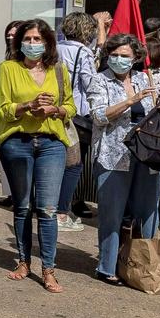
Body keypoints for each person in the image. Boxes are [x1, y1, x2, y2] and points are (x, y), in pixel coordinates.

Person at [0, 21, 77, 291]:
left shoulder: (59, 70)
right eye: (28, 39)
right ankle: (22, 261)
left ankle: (49, 269)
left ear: (48, 43)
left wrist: (54, 110)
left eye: (37, 39)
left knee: (48, 209)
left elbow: (71, 107)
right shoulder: (8, 68)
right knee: (22, 206)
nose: (32, 44)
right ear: (19, 42)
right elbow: (4, 108)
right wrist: (28, 106)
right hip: (17, 142)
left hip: (51, 143)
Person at [88, 34, 160, 284]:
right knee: (112, 213)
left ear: (136, 58)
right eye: (114, 55)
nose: (119, 60)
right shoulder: (99, 80)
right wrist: (130, 101)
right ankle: (107, 266)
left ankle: (148, 266)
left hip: (147, 153)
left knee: (148, 211)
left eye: (125, 56)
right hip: (112, 155)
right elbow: (99, 116)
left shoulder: (147, 78)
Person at [54, 13, 101, 233]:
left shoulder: (55, 47)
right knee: (74, 165)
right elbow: (90, 82)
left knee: (56, 162)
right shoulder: (83, 52)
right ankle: (61, 212)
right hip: (77, 115)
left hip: (55, 111)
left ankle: (54, 207)